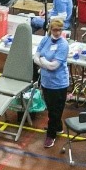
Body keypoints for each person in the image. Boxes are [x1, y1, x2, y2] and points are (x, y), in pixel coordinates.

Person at [35, 17, 70, 149]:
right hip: (46, 82)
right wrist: (45, 63)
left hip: (59, 83)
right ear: (50, 29)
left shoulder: (63, 45)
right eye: (55, 30)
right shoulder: (45, 40)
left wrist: (42, 62)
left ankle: (51, 135)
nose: (57, 33)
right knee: (51, 108)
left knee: (55, 111)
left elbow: (54, 66)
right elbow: (35, 57)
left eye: (60, 30)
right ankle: (58, 127)